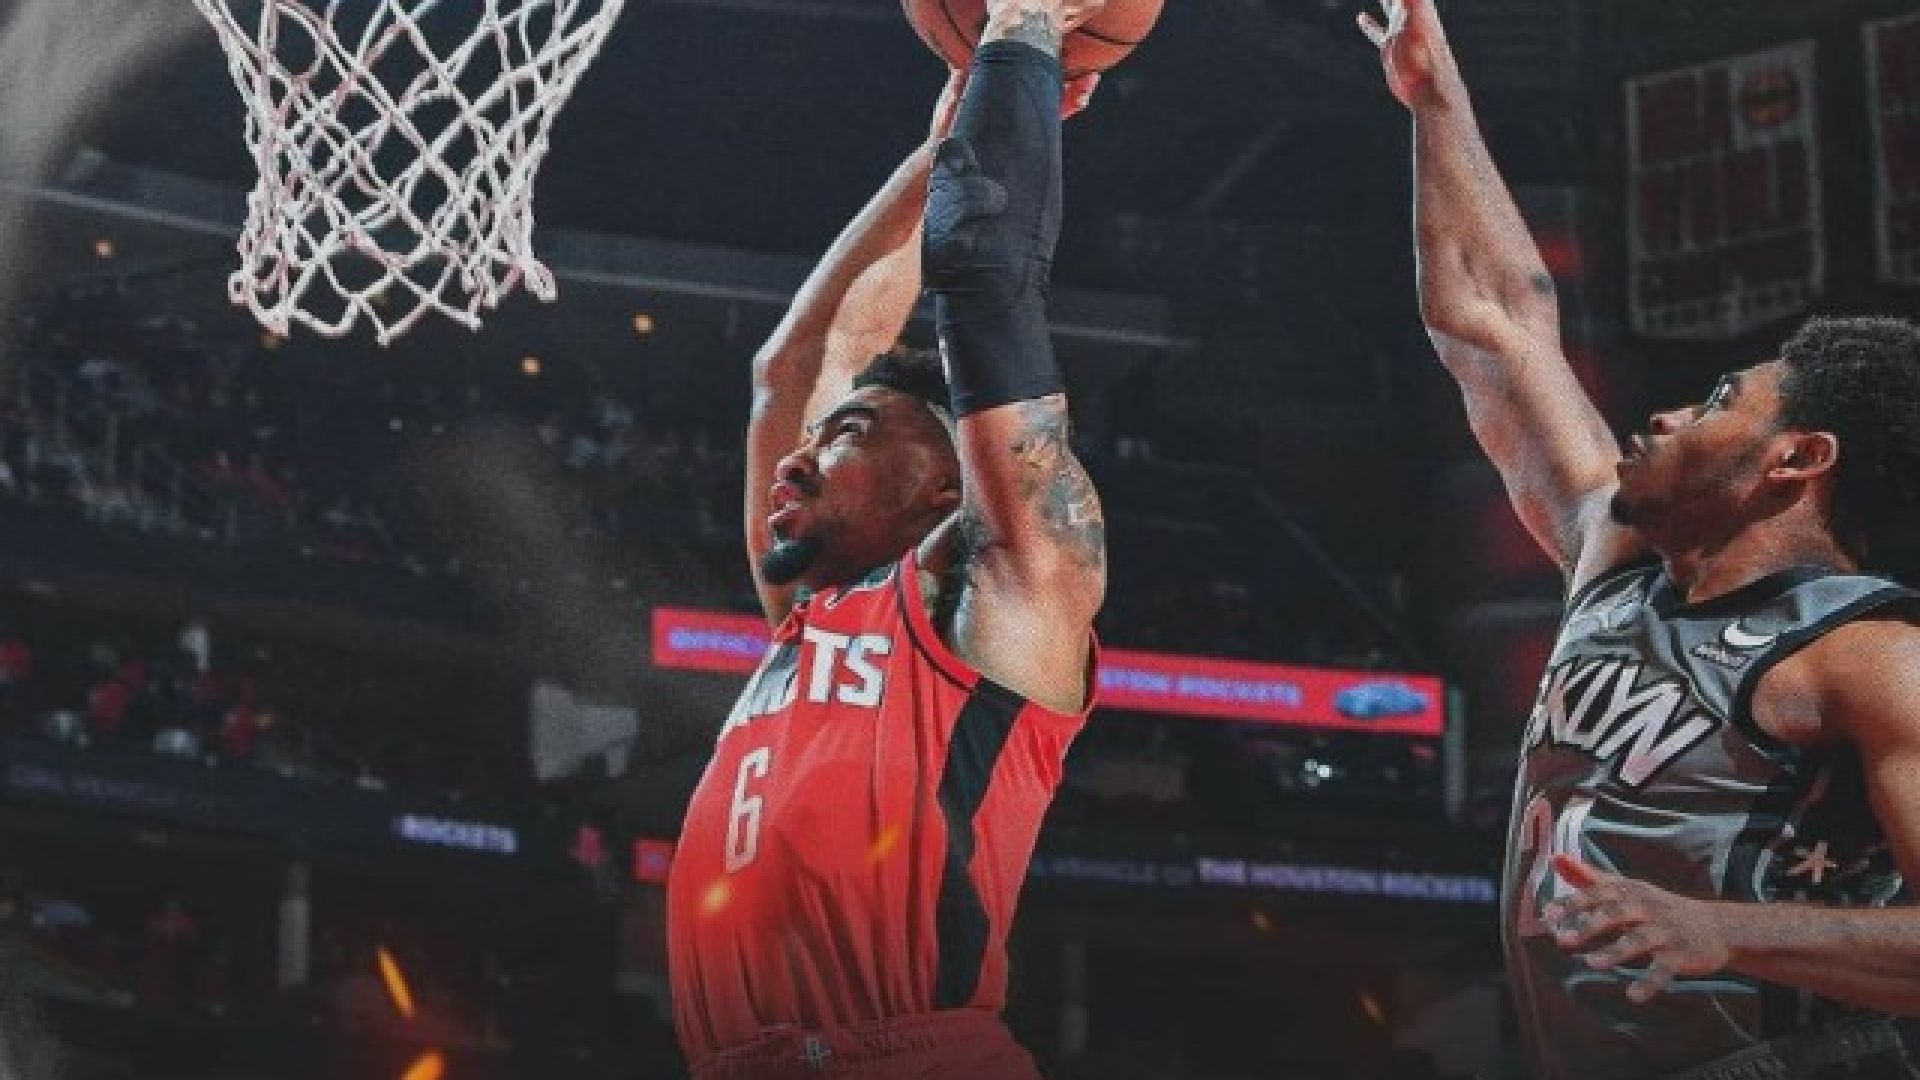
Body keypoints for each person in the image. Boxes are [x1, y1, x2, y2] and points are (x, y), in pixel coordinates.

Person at [1361, 1, 1920, 1077]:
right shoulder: (1614, 567)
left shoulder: (1867, 656)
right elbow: (1493, 324)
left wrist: (1725, 930)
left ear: (1797, 460)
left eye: (1719, 402)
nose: (1666, 415)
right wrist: (1435, 99)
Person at [665, 3, 1107, 1077]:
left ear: (950, 485)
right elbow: (793, 363)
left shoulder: (1002, 594)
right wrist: (936, 147)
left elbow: (990, 287)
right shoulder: (809, 621)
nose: (796, 458)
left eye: (849, 435)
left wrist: (1022, 35)